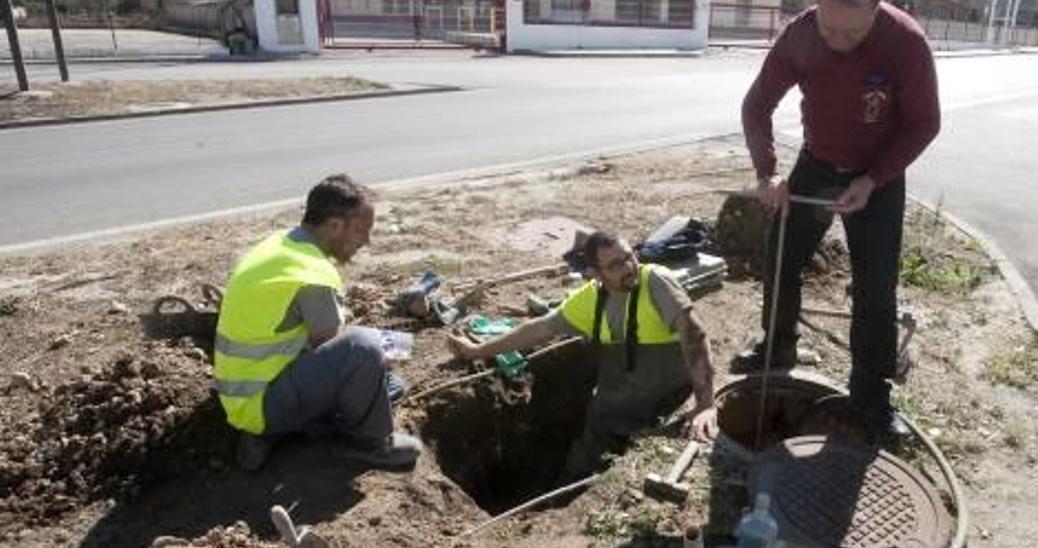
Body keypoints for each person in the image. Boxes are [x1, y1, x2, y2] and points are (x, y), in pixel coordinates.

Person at [736, 0, 941, 443]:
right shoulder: (801, 33)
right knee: (781, 259)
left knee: (876, 288)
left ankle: (871, 400)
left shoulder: (906, 43)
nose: (840, 44)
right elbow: (756, 106)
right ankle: (777, 348)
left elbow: (925, 123)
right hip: (817, 166)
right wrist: (767, 171)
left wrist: (873, 179)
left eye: (853, 35)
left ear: (875, 9)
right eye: (831, 32)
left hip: (878, 179)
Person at [447, 231, 718, 479]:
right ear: (595, 274)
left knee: (630, 466)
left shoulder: (656, 280)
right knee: (580, 464)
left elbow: (694, 336)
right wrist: (478, 350)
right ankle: (558, 500)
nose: (629, 268)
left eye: (629, 257)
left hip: (665, 404)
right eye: (615, 265)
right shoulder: (588, 300)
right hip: (613, 410)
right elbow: (538, 329)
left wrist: (705, 403)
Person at [214, 174, 422, 471]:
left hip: (242, 395)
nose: (366, 241)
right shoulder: (314, 273)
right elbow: (333, 346)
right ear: (335, 225)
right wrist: (385, 349)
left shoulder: (280, 244)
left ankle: (274, 433)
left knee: (391, 382)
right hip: (262, 403)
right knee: (363, 349)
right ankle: (369, 443)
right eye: (362, 231)